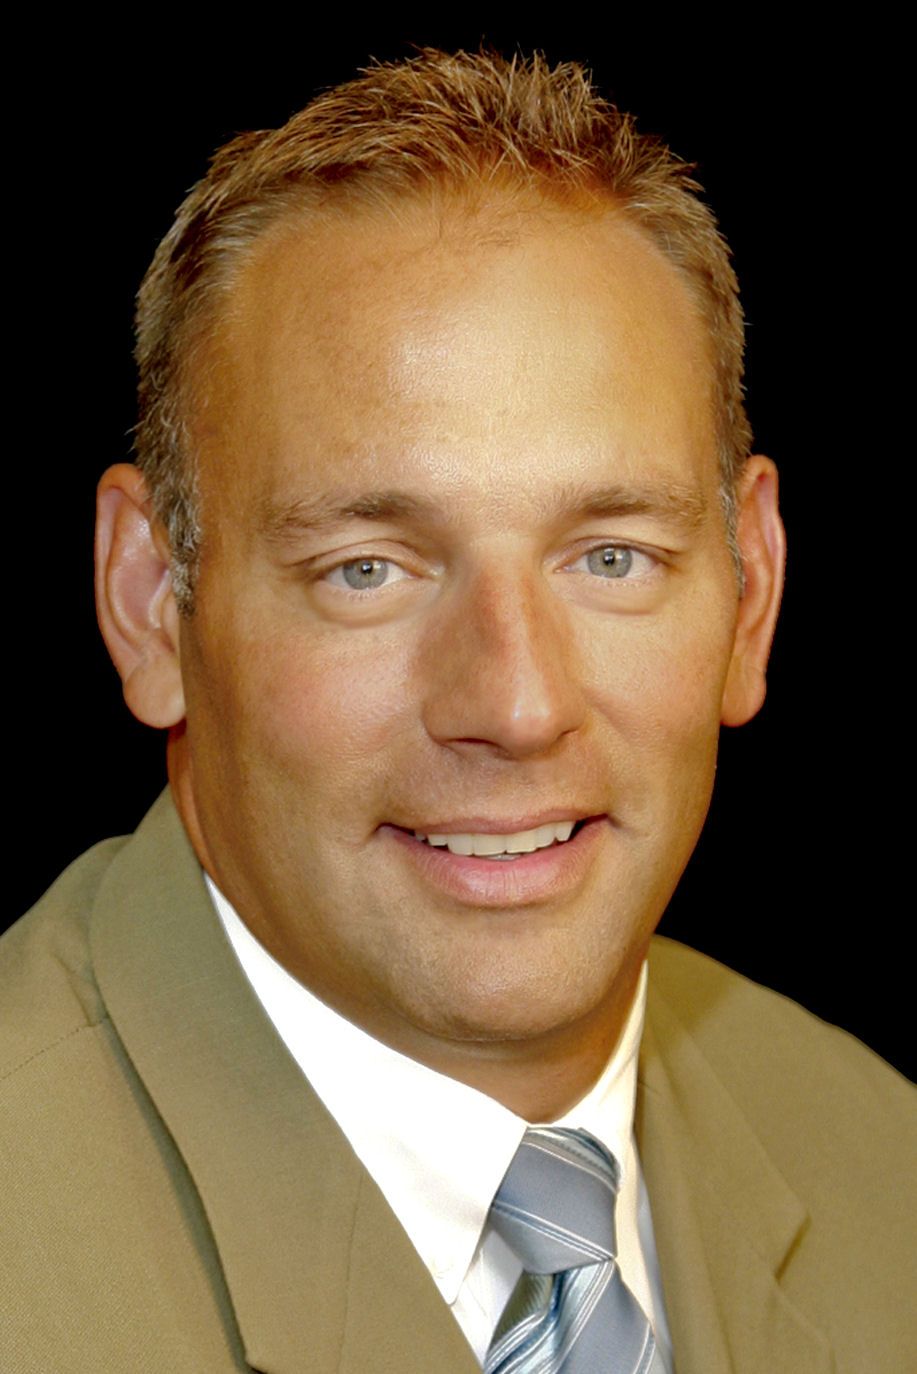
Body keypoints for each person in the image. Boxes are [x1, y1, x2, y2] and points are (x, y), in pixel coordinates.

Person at [1, 48, 913, 1374]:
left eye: (610, 556)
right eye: (367, 570)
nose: (516, 701)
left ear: (752, 590)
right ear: (151, 604)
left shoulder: (876, 1157)